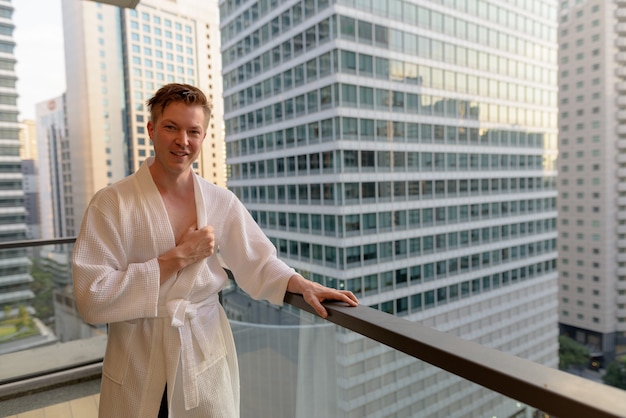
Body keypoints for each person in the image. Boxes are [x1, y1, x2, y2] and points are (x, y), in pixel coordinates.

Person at [72, 83, 358, 418]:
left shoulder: (220, 201)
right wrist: (180, 257)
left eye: (193, 131)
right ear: (151, 129)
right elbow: (91, 297)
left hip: (201, 352)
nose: (183, 141)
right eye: (171, 128)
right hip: (138, 357)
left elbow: (260, 262)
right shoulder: (112, 203)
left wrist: (302, 284)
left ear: (204, 136)